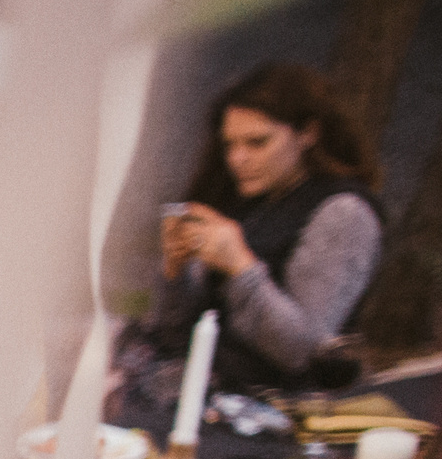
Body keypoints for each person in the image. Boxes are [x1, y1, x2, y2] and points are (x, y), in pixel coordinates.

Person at [124, 62, 384, 401]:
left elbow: (301, 353)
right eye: (230, 144)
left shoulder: (344, 213)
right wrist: (175, 270)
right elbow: (173, 333)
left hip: (270, 412)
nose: (238, 159)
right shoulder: (243, 197)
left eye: (257, 142)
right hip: (193, 388)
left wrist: (240, 266)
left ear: (308, 133)